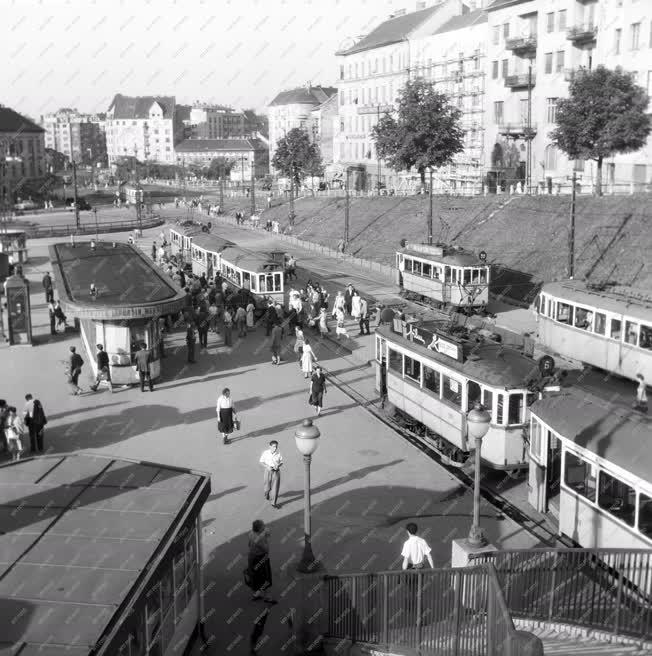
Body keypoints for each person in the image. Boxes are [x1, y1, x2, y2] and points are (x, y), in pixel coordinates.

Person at [247, 519, 276, 603]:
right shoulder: (259, 539)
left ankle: (257, 594)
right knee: (265, 578)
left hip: (252, 557)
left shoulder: (251, 533)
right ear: (259, 529)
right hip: (260, 559)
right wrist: (265, 538)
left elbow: (249, 545)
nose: (265, 526)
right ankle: (267, 597)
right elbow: (266, 549)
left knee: (255, 577)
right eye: (263, 525)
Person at [259, 441, 283, 508]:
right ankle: (266, 493)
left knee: (275, 487)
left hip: (276, 471)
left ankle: (273, 503)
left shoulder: (278, 453)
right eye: (274, 446)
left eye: (276, 446)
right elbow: (261, 462)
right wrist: (267, 466)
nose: (275, 448)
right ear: (270, 446)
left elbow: (281, 462)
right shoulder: (265, 453)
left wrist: (278, 465)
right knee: (267, 486)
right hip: (268, 470)